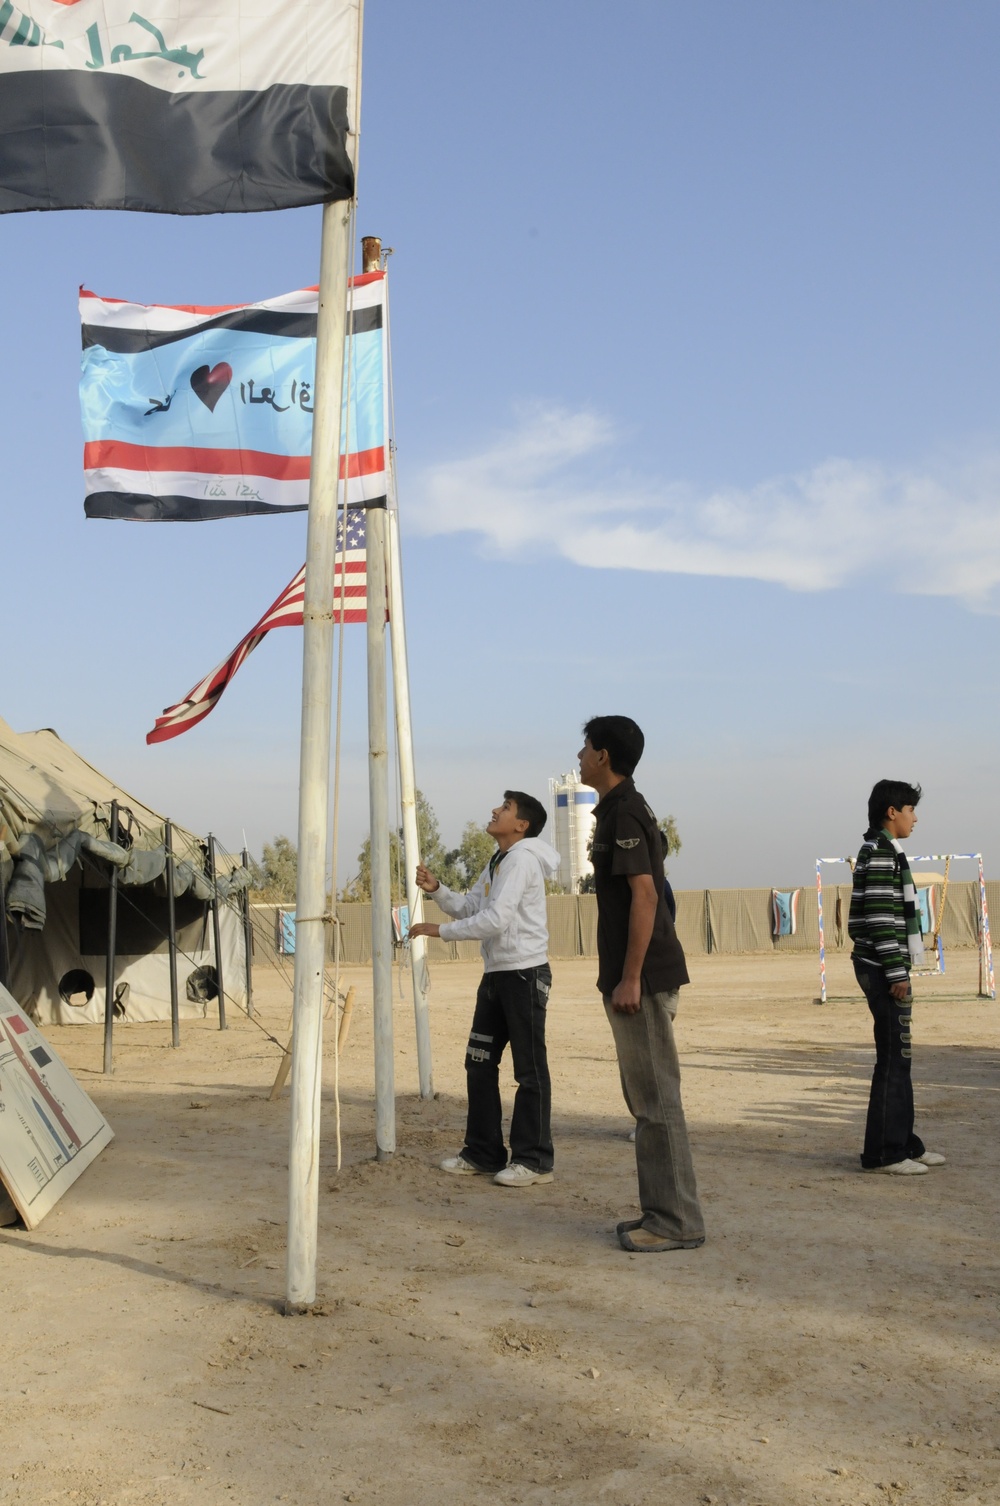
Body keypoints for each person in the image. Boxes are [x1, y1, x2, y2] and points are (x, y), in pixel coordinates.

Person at [579, 716, 705, 1252]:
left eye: (585, 747)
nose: (579, 755)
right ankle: (660, 1212)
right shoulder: (620, 807)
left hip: (644, 977)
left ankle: (676, 1222)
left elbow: (646, 896)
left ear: (604, 756)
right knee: (646, 1100)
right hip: (634, 975)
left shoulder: (625, 810)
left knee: (656, 1101)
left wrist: (630, 977)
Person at [409, 791, 560, 1187]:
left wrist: (439, 931)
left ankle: (535, 1160)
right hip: (497, 974)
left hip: (524, 975)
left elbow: (495, 919)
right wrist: (437, 888)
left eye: (505, 809)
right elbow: (472, 905)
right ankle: (484, 1153)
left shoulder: (523, 860)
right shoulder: (498, 860)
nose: (495, 811)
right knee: (478, 1061)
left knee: (529, 1070)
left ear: (522, 825)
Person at [848, 779, 946, 1176]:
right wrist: (896, 971)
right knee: (893, 1058)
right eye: (910, 810)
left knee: (900, 1058)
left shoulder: (884, 849)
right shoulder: (881, 852)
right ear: (892, 812)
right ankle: (884, 1154)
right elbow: (878, 916)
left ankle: (903, 1143)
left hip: (885, 966)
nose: (915, 818)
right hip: (881, 967)